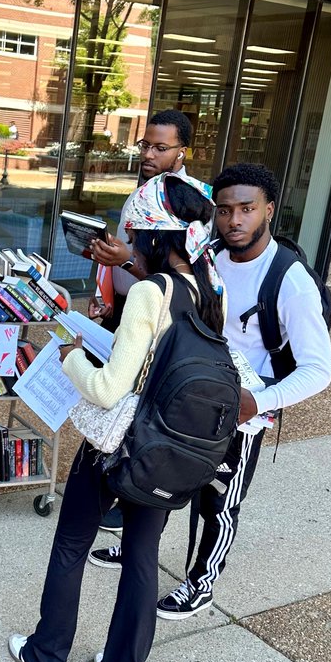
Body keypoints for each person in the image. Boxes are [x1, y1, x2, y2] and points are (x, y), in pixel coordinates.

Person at [9, 172, 225, 662]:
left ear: (153, 235)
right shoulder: (206, 285)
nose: (127, 245)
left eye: (133, 236)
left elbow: (107, 390)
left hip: (118, 445)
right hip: (170, 448)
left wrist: (71, 356)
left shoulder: (151, 291)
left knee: (72, 544)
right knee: (142, 556)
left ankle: (49, 656)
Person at [153, 162, 331, 620]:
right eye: (226, 210)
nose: (235, 220)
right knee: (163, 478)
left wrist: (259, 402)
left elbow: (320, 369)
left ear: (268, 210)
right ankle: (140, 551)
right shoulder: (210, 254)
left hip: (243, 410)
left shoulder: (290, 280)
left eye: (247, 209)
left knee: (220, 501)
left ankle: (201, 583)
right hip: (192, 393)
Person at [87, 108, 193, 537]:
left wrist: (127, 260)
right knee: (121, 405)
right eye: (145, 144)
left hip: (155, 318)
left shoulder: (183, 202)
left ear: (183, 152)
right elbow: (132, 254)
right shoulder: (144, 191)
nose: (148, 153)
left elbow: (178, 282)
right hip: (126, 308)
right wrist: (108, 286)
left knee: (139, 409)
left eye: (160, 147)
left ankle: (135, 499)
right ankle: (116, 486)